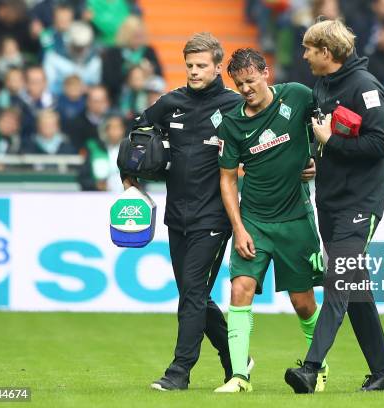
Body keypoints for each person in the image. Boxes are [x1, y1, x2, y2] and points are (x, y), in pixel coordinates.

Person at [120, 32, 243, 391]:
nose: (194, 71)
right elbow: (137, 134)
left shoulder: (234, 106)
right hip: (177, 216)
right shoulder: (170, 102)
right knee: (195, 295)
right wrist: (130, 176)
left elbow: (261, 143)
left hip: (215, 218)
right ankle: (235, 358)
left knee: (191, 294)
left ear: (218, 67)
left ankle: (179, 372)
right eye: (189, 65)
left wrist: (304, 165)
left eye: (201, 65)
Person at [285, 18, 384, 393]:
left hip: (360, 205)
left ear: (326, 52)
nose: (304, 55)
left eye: (308, 49)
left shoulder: (366, 89)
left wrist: (331, 144)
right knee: (357, 291)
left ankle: (310, 368)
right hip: (330, 203)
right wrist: (319, 155)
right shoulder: (323, 86)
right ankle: (383, 373)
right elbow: (328, 140)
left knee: (338, 283)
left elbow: (380, 146)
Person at [214, 48, 325, 393]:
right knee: (239, 290)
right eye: (240, 84)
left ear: (266, 73)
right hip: (255, 221)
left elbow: (328, 130)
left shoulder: (299, 96)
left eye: (250, 81)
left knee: (302, 301)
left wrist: (320, 160)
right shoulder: (233, 121)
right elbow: (228, 178)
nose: (246, 89)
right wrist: (239, 227)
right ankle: (238, 376)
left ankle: (317, 368)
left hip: (296, 219)